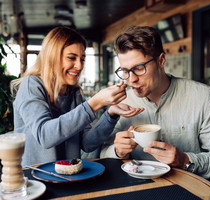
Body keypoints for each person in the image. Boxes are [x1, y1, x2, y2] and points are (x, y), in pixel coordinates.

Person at [11, 26, 144, 166]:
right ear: (52, 57)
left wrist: (110, 115)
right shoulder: (31, 85)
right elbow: (45, 136)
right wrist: (94, 103)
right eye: (71, 58)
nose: (79, 66)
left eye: (82, 59)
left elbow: (87, 143)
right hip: (35, 179)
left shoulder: (73, 93)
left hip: (69, 177)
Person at [101, 26, 210, 179]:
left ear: (161, 60)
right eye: (125, 71)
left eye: (139, 68)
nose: (131, 79)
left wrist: (185, 161)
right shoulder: (123, 102)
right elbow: (102, 152)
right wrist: (118, 151)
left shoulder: (203, 97)